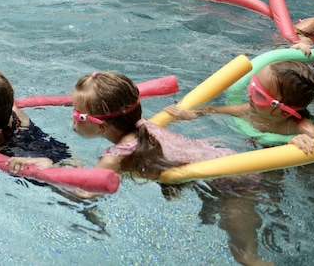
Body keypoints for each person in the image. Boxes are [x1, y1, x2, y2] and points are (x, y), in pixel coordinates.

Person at [62, 71, 271, 266]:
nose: (72, 117)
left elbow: (86, 194)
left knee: (245, 256)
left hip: (236, 183)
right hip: (226, 164)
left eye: (77, 113)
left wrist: (56, 173)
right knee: (210, 216)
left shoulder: (116, 157)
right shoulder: (145, 127)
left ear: (102, 127)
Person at [165, 60, 314, 153]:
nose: (249, 95)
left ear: (285, 113)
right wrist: (191, 114)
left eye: (259, 94)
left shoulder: (298, 127)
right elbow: (213, 110)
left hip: (276, 154)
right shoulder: (249, 110)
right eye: (252, 86)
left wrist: (303, 141)